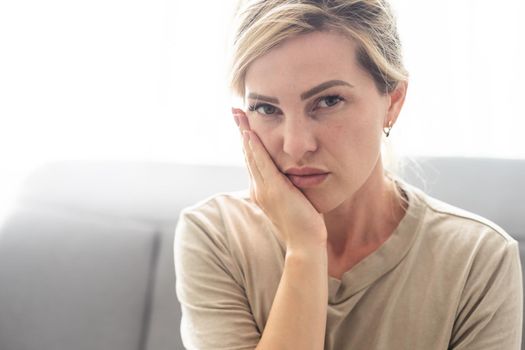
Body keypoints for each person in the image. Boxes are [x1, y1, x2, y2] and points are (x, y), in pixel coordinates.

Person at [174, 0, 523, 349]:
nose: (296, 146)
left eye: (327, 101)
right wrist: (305, 250)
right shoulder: (216, 236)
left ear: (394, 101)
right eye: (267, 108)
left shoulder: (478, 261)